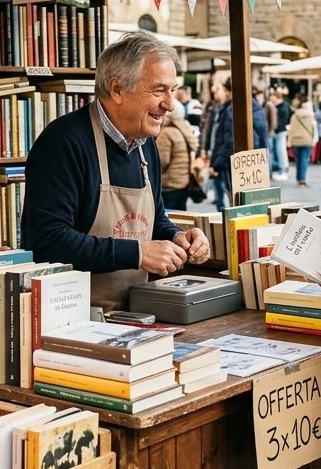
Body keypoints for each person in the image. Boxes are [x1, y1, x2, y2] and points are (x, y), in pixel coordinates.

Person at [20, 32, 212, 311]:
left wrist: (176, 238)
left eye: (173, 90)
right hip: (71, 317)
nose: (170, 104)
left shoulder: (146, 144)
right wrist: (137, 254)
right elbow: (47, 241)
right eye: (159, 91)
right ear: (117, 89)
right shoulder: (63, 143)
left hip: (136, 313)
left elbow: (154, 220)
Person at [156, 110, 198, 211]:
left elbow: (162, 161)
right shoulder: (183, 131)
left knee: (168, 216)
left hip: (170, 182)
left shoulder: (166, 133)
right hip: (183, 181)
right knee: (181, 215)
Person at [204, 78, 234, 212]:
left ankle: (224, 214)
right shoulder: (215, 108)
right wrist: (205, 148)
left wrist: (217, 162)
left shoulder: (228, 110)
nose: (215, 93)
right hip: (216, 153)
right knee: (219, 187)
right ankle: (221, 212)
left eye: (219, 90)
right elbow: (210, 131)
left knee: (228, 190)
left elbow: (228, 139)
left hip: (224, 157)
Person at [287, 93, 316, 187]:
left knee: (298, 160)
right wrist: (314, 139)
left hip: (296, 140)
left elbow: (291, 129)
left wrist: (289, 141)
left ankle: (299, 178)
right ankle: (302, 179)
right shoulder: (311, 115)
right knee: (304, 159)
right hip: (307, 139)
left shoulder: (294, 116)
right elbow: (313, 128)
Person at [268, 88, 291, 181]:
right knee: (277, 151)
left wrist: (276, 128)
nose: (270, 99)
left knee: (280, 151)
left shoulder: (282, 107)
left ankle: (282, 169)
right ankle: (278, 169)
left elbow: (282, 121)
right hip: (278, 131)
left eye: (272, 97)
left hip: (280, 132)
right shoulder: (278, 106)